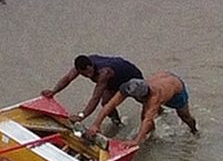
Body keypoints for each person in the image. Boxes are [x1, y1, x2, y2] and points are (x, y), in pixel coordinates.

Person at [42, 52, 200, 139]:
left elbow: (95, 96)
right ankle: (118, 124)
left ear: (91, 66)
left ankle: (194, 132)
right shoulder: (81, 66)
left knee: (174, 115)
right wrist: (53, 92)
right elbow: (68, 79)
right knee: (107, 103)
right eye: (84, 74)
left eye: (89, 72)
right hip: (146, 81)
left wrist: (137, 141)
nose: (87, 75)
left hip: (168, 88)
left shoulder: (104, 73)